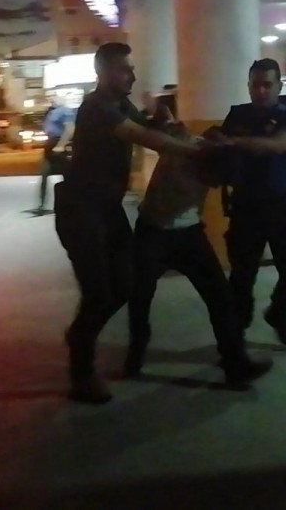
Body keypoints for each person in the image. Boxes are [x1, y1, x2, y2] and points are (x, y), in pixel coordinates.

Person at [54, 42, 204, 404]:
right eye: (125, 69)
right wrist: (196, 150)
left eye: (132, 69)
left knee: (126, 283)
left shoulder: (121, 105)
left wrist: (162, 118)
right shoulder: (96, 107)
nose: (132, 76)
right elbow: (143, 137)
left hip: (107, 210)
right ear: (103, 72)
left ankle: (80, 335)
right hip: (81, 212)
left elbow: (147, 126)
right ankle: (81, 373)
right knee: (98, 293)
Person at [126, 118, 273, 386]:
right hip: (153, 233)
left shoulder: (210, 155)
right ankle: (135, 356)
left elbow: (201, 136)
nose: (213, 186)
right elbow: (168, 132)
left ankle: (236, 365)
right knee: (140, 298)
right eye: (213, 179)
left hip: (189, 234)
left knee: (221, 298)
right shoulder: (180, 152)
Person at [211, 58, 286, 347]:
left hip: (282, 207)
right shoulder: (237, 116)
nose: (261, 91)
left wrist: (233, 142)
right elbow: (219, 148)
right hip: (246, 207)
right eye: (256, 85)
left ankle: (278, 312)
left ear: (279, 86)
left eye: (267, 85)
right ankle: (237, 335)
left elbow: (278, 145)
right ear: (249, 86)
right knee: (242, 276)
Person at [35, 100, 77, 215]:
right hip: (50, 145)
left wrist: (61, 145)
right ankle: (42, 204)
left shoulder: (64, 111)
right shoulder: (50, 113)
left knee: (67, 176)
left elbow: (70, 128)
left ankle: (72, 204)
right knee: (45, 174)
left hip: (59, 144)